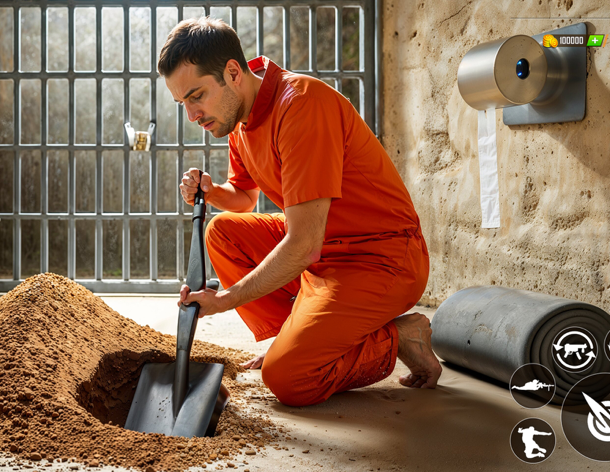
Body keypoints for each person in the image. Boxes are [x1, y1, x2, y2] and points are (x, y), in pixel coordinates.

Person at [161, 17, 442, 407]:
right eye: (183, 103)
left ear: (232, 72)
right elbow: (244, 197)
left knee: (289, 378)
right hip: (324, 248)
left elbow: (304, 244)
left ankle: (401, 336)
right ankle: (297, 336)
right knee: (222, 232)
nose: (192, 115)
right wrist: (210, 191)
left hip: (380, 258)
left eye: (196, 96)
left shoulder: (301, 105)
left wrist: (226, 299)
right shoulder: (241, 118)